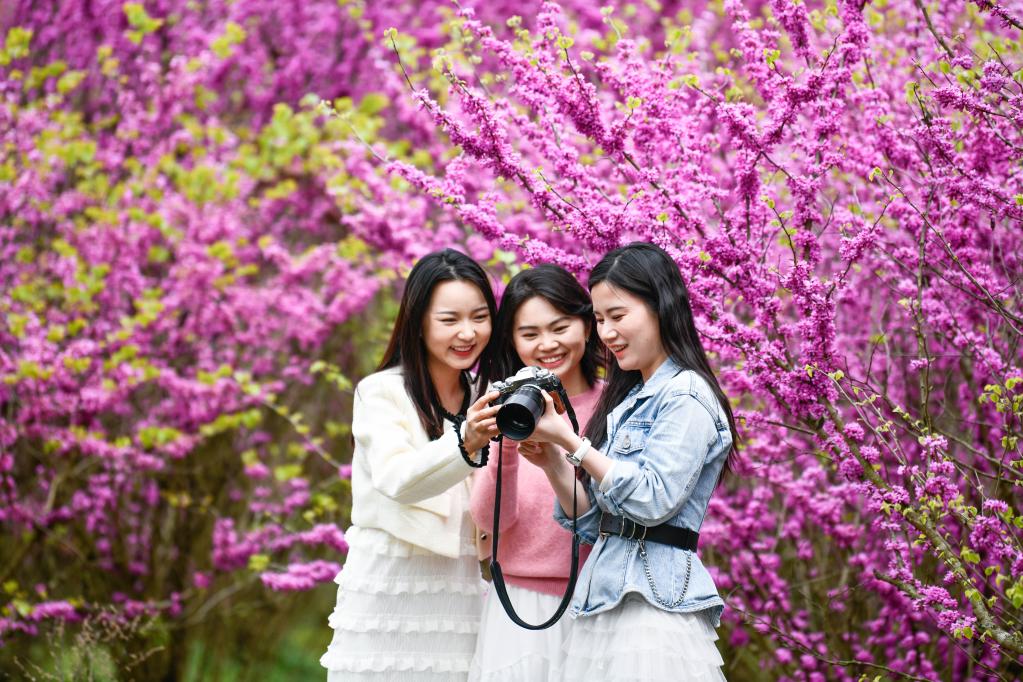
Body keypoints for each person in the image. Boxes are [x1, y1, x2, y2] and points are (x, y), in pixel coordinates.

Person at [522, 243, 739, 681]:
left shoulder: (686, 395)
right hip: (605, 605)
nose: (606, 333)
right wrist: (553, 461)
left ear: (661, 306)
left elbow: (652, 501)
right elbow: (594, 523)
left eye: (618, 316)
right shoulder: (628, 400)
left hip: (653, 612)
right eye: (600, 319)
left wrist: (571, 442)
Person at [320, 249, 502, 681]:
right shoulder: (380, 393)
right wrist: (467, 440)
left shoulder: (488, 396)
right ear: (418, 322)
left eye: (479, 317)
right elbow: (398, 479)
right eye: (449, 319)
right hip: (388, 590)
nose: (467, 333)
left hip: (458, 593)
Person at [468, 265, 604, 681]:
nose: (547, 344)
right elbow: (489, 518)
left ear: (586, 325)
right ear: (512, 339)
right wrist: (505, 441)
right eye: (529, 334)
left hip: (597, 602)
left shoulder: (615, 404)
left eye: (560, 327)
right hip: (519, 604)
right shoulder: (505, 408)